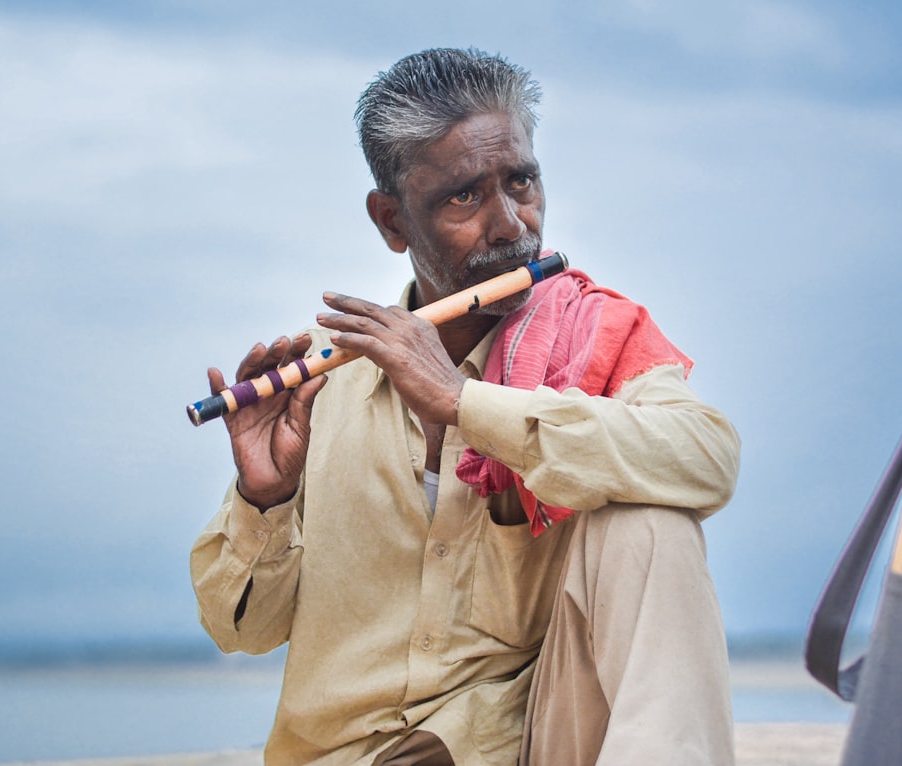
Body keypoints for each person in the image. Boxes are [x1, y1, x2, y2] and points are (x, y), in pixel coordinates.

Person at [191, 48, 740, 766]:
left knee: (650, 519)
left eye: (521, 182)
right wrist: (265, 497)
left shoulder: (591, 339)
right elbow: (242, 632)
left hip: (532, 742)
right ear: (392, 221)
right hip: (347, 754)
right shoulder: (324, 386)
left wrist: (466, 404)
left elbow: (707, 459)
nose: (512, 226)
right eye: (464, 198)